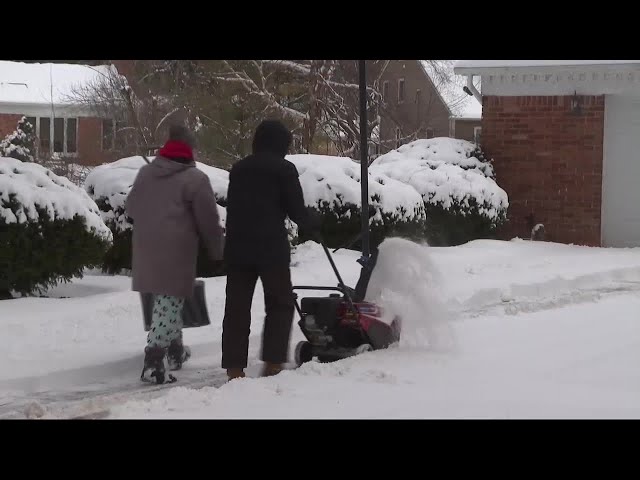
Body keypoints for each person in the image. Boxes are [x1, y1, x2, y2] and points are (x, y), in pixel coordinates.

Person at [126, 124, 224, 384]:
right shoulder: (195, 179)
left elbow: (132, 207)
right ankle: (154, 359)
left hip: (146, 245)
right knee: (171, 299)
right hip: (176, 248)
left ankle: (175, 351)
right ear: (190, 150)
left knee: (167, 300)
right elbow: (208, 220)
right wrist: (217, 251)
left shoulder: (147, 172)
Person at [222, 119, 318, 381]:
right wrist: (314, 221)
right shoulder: (284, 170)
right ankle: (273, 363)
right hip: (270, 250)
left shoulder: (238, 169)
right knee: (280, 304)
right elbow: (296, 211)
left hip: (238, 249)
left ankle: (234, 368)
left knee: (236, 310)